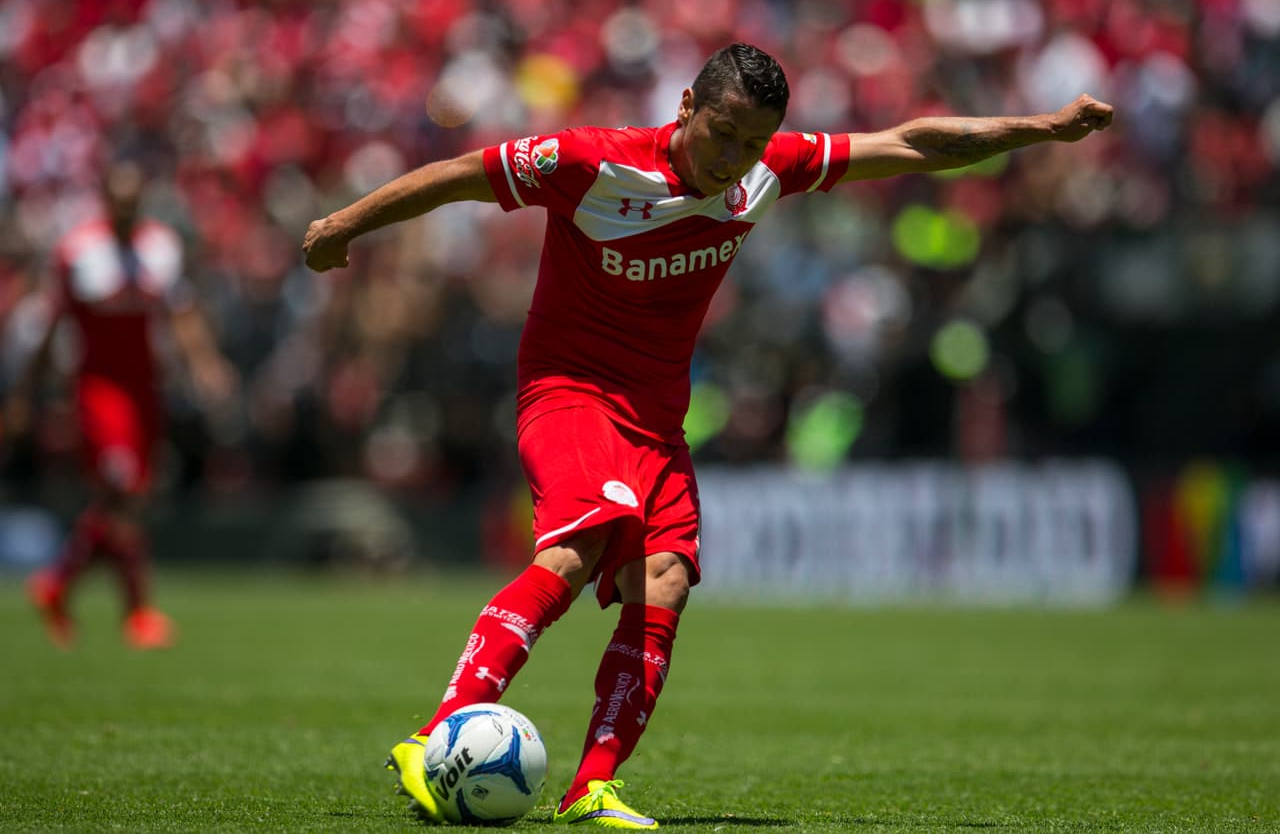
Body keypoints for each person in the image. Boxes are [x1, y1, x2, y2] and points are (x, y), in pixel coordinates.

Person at [303, 43, 1112, 828]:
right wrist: (343, 225)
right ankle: (433, 737)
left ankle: (591, 787)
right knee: (581, 546)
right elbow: (456, 177)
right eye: (723, 132)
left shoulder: (766, 171)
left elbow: (909, 143)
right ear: (685, 106)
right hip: (570, 394)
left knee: (665, 581)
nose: (735, 157)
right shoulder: (590, 160)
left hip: (657, 419)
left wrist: (1040, 128)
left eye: (753, 142)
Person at [7, 159, 236, 650]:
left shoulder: (161, 249)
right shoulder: (79, 252)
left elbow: (181, 313)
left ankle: (58, 584)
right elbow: (53, 327)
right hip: (99, 387)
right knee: (123, 491)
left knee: (128, 497)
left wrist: (205, 364)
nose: (128, 212)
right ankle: (135, 610)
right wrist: (28, 392)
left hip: (143, 387)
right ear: (107, 202)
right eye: (121, 203)